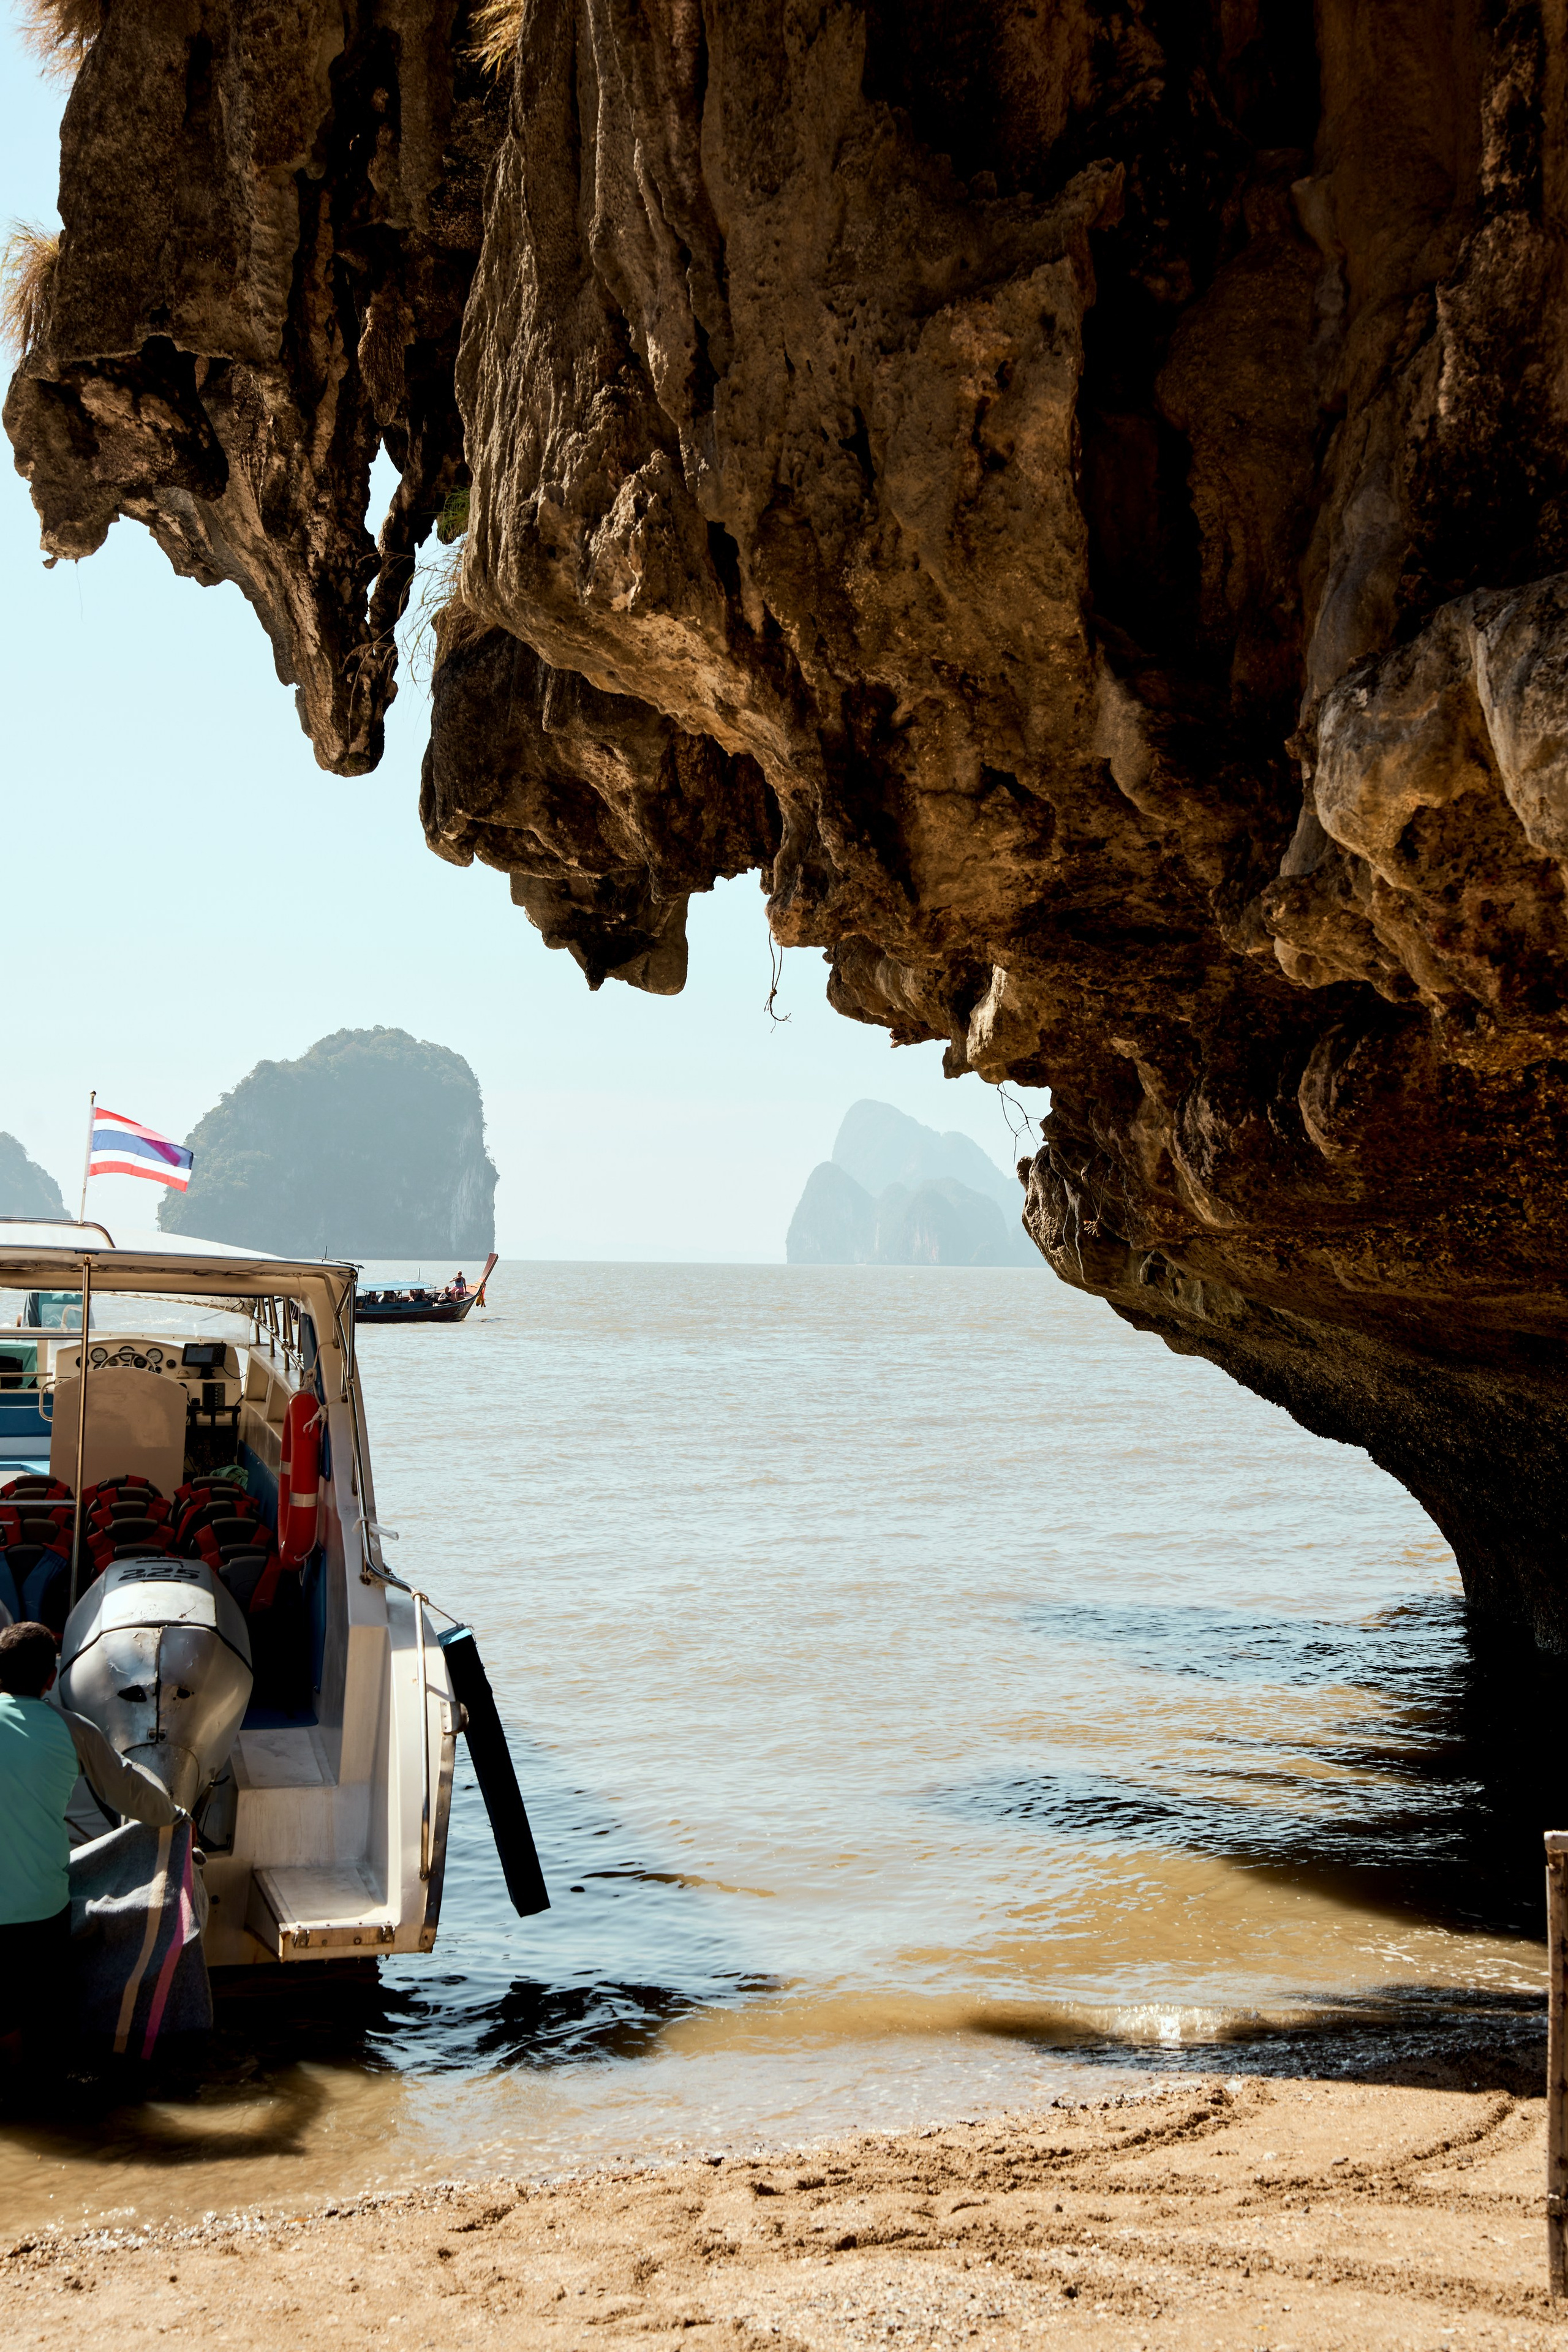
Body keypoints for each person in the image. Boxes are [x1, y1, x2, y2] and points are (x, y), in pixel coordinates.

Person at [0, 1621, 183, 2066]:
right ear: (50, 1678)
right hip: (38, 1913)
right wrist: (176, 1816)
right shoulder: (74, 1730)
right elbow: (140, 1799)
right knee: (39, 2028)